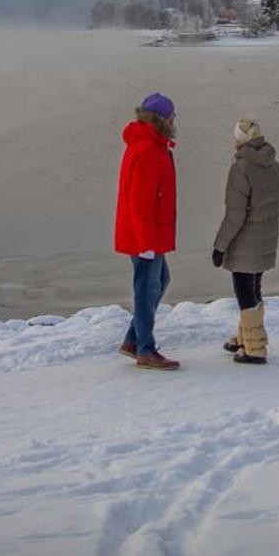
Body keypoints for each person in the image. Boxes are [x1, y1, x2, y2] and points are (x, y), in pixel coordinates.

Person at [114, 92, 181, 371]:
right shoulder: (148, 150)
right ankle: (145, 349)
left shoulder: (153, 144)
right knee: (147, 287)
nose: (176, 119)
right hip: (144, 235)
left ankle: (133, 340)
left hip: (151, 232)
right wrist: (145, 243)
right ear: (162, 118)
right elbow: (141, 201)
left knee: (160, 280)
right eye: (173, 115)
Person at [212, 117, 279, 365]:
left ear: (240, 141)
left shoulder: (241, 168)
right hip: (267, 237)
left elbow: (235, 214)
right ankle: (246, 336)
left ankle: (255, 347)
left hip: (246, 240)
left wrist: (220, 246)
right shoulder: (273, 165)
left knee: (244, 291)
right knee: (254, 287)